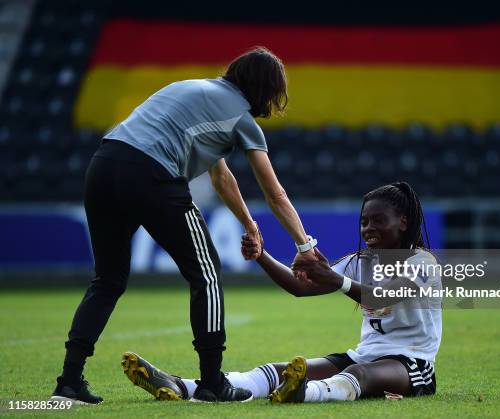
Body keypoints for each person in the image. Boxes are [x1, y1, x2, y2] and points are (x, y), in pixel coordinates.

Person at [51, 47, 320, 405]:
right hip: (152, 174)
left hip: (104, 164)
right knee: (206, 275)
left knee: (108, 280)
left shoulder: (191, 89)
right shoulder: (241, 119)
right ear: (265, 90)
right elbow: (276, 193)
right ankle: (212, 382)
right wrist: (304, 246)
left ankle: (69, 381)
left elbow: (222, 178)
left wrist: (248, 225)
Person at [119, 182, 442, 403]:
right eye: (364, 222)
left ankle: (304, 393)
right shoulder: (359, 263)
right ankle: (182, 385)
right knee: (278, 370)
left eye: (378, 220)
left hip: (412, 363)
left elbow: (381, 297)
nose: (368, 228)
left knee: (358, 374)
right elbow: (299, 287)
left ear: (403, 221)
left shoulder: (422, 262)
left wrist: (334, 280)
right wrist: (261, 254)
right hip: (365, 355)